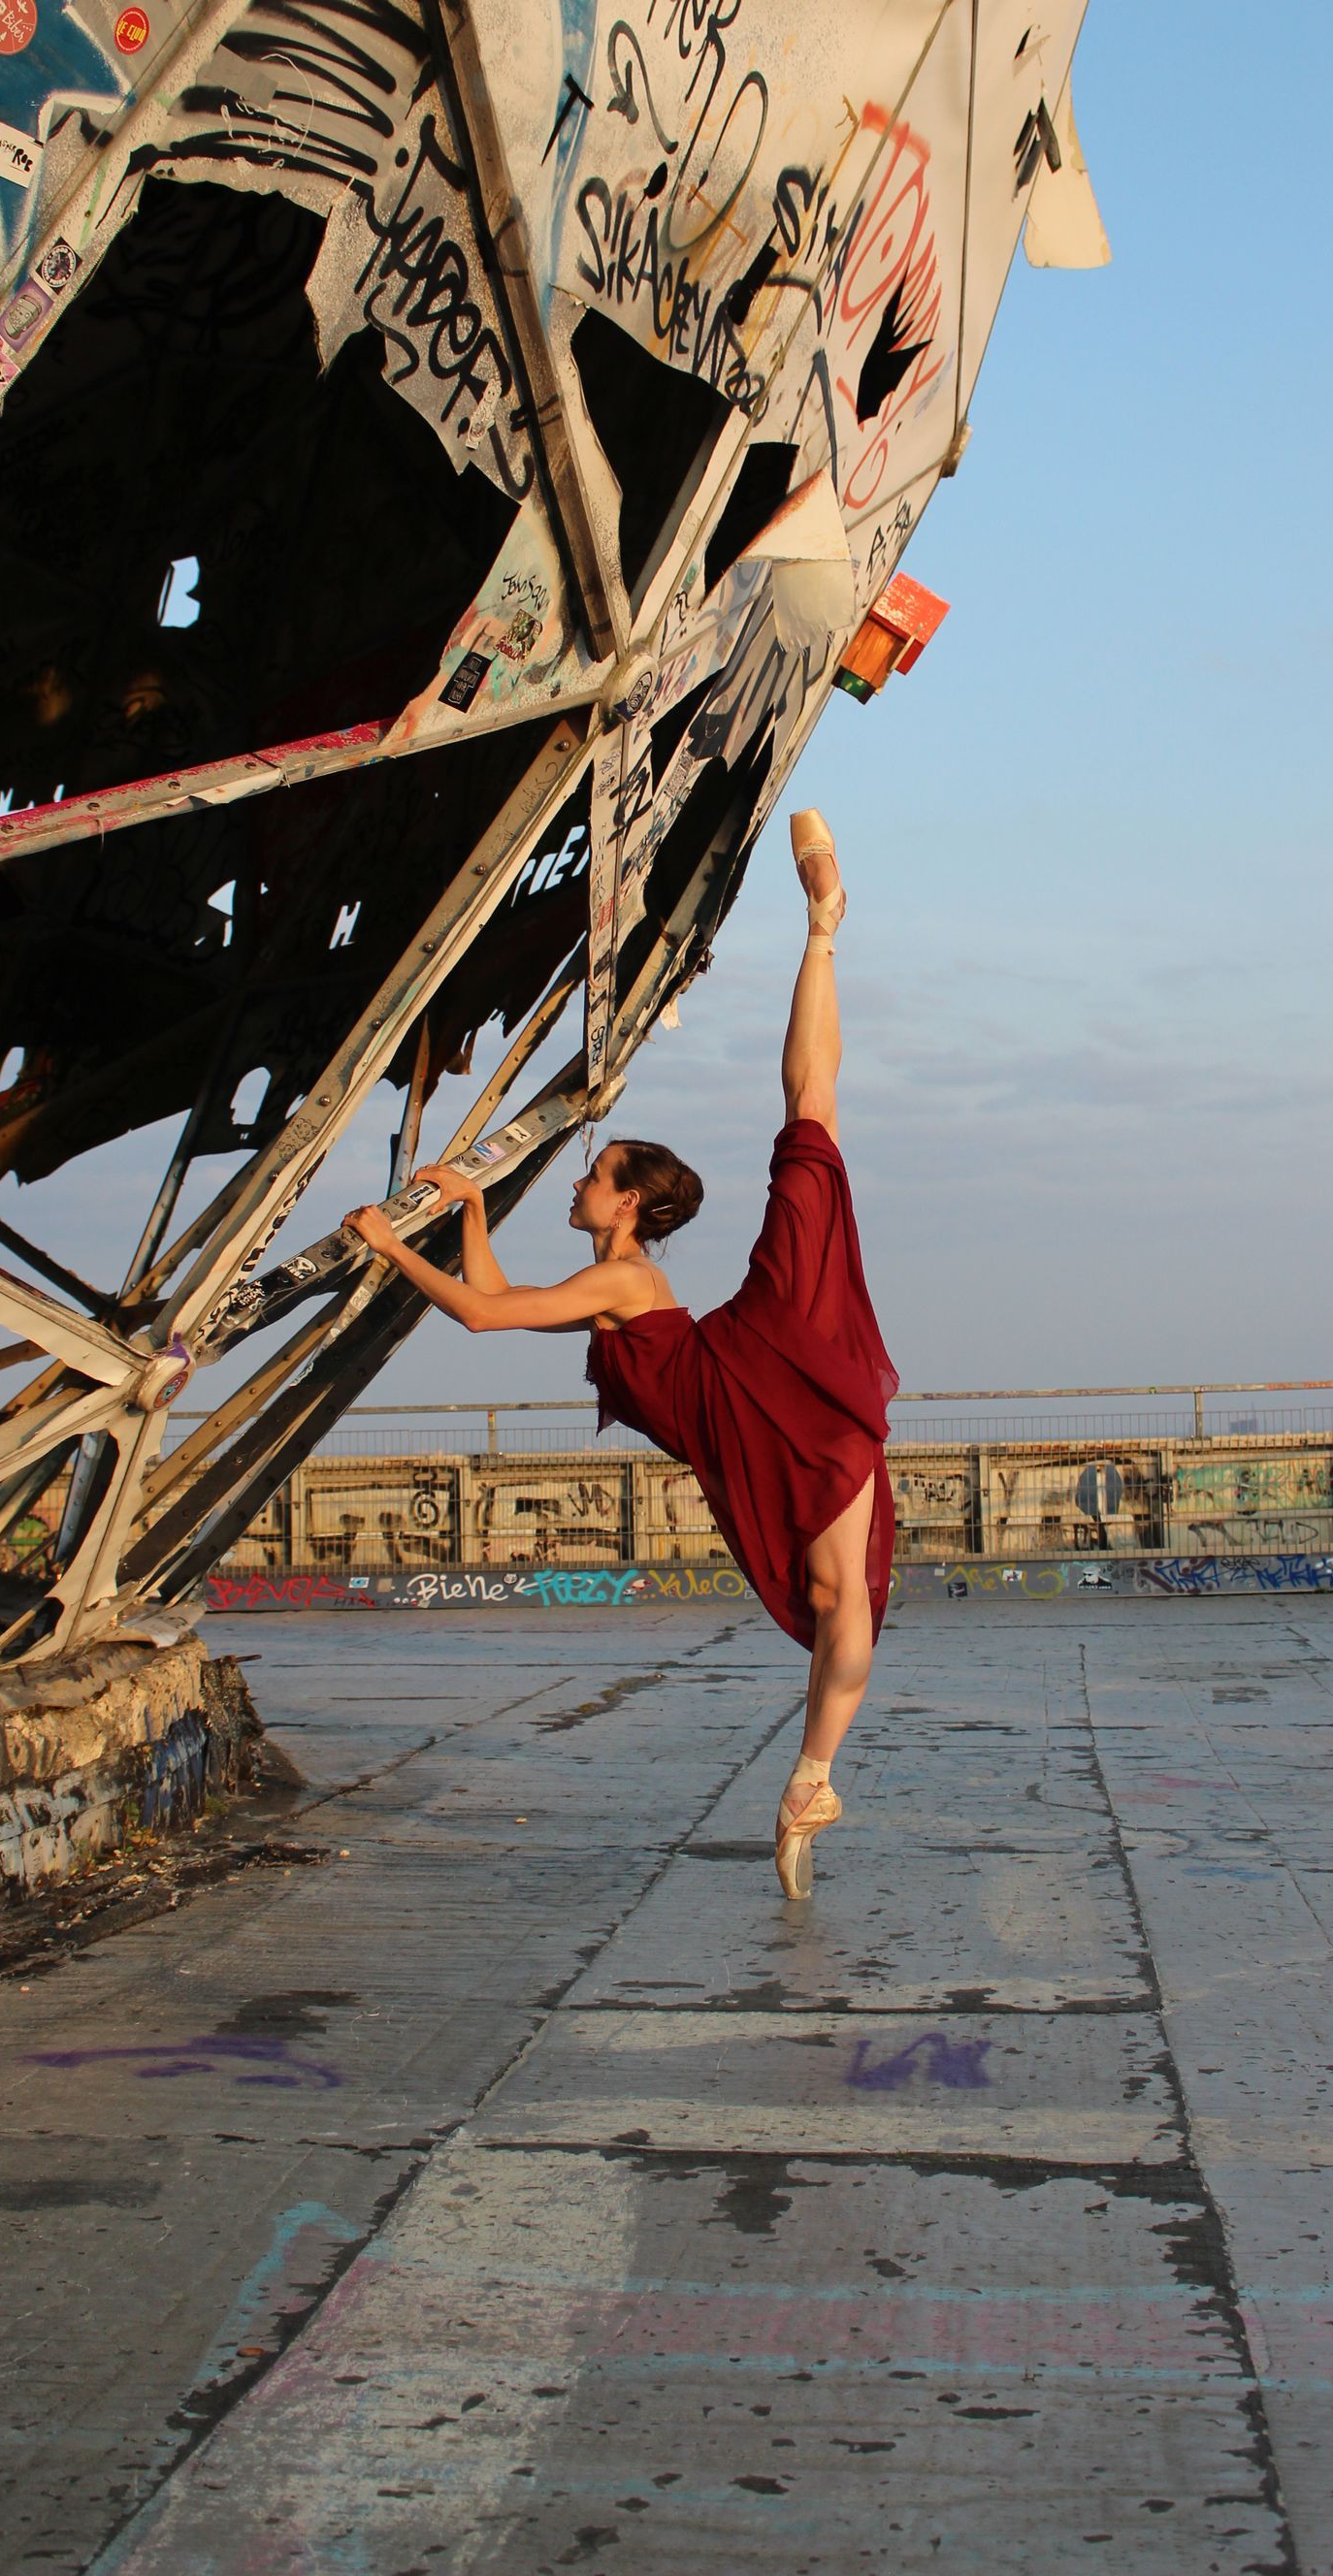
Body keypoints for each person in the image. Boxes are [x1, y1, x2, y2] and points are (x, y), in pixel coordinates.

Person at [344, 810, 897, 1898]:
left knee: (811, 1121)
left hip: (763, 1369)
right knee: (846, 1621)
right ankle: (809, 1787)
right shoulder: (611, 1288)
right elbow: (499, 1295)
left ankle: (822, 928)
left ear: (631, 1203)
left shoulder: (629, 1280)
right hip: (748, 1420)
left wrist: (385, 1245)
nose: (578, 1181)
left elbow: (479, 1318)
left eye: (595, 1172)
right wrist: (464, 1215)